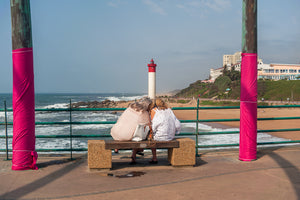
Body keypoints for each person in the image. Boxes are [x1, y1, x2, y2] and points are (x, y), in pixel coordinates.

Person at [110, 97, 152, 164]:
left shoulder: (129, 108)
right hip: (125, 136)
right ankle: (136, 154)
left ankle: (118, 149)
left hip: (114, 132)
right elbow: (148, 125)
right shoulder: (144, 113)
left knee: (134, 133)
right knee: (139, 136)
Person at [149, 98, 181, 164]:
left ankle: (154, 157)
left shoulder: (157, 111)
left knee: (151, 137)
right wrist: (177, 132)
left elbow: (154, 126)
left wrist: (153, 132)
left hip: (159, 138)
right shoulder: (169, 110)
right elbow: (177, 124)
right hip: (170, 137)